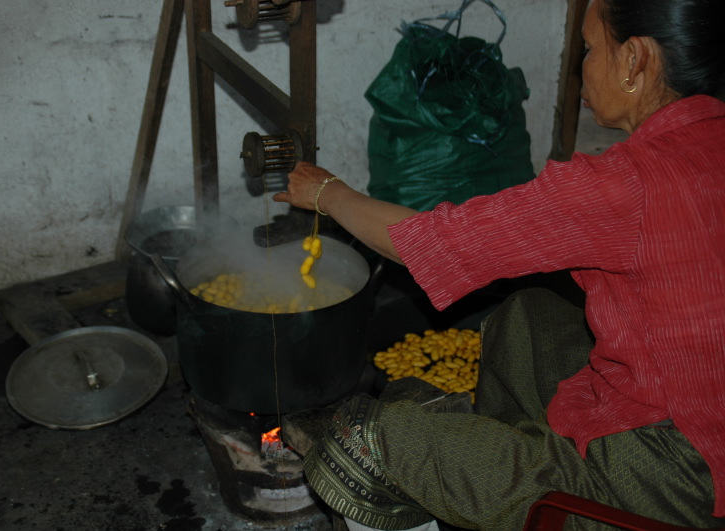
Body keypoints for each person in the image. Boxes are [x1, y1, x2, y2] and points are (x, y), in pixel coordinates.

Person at [273, 0, 725, 529]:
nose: (583, 65)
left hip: (675, 475)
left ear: (634, 61)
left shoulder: (628, 184)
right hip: (692, 412)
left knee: (364, 437)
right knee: (526, 318)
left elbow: (432, 244)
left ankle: (549, 491)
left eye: (589, 48)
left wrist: (327, 192)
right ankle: (510, 471)